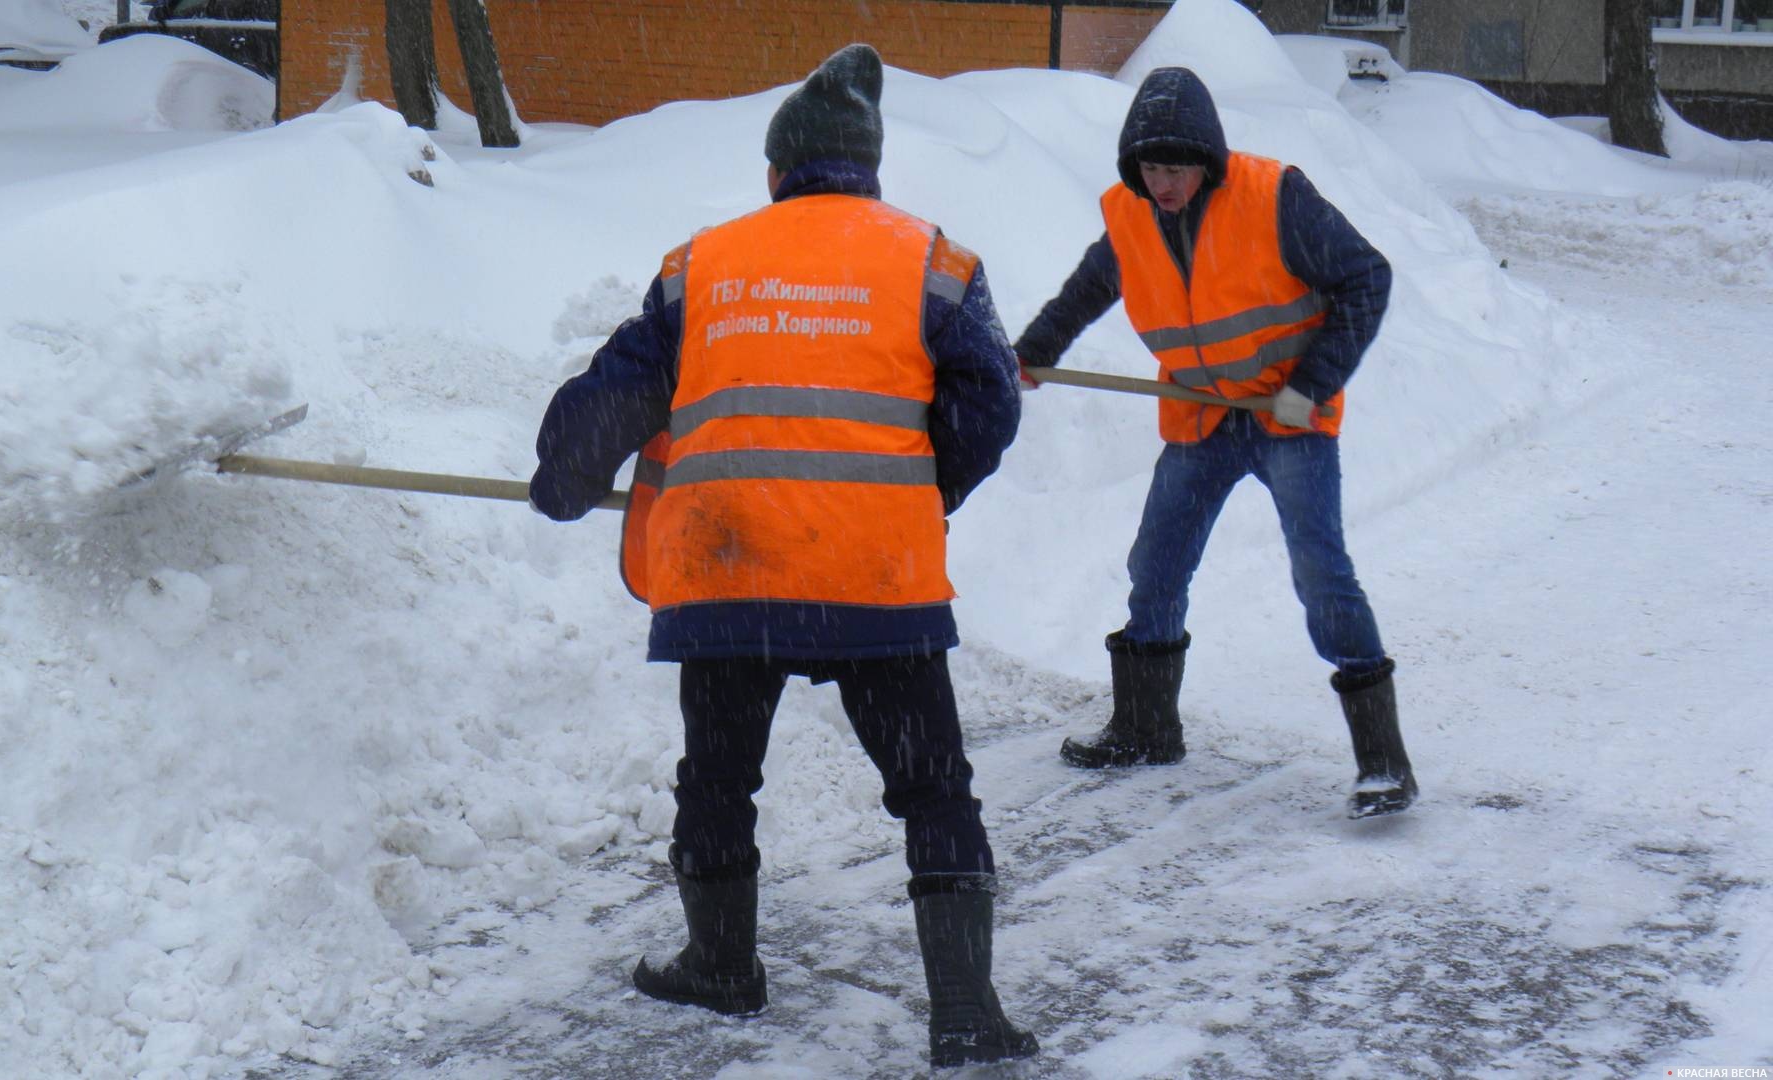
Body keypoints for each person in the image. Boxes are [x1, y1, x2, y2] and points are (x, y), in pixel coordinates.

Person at [528, 44, 1037, 1067]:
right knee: (934, 788)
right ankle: (965, 1011)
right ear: (869, 171)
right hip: (876, 581)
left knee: (718, 779)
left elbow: (619, 392)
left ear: (776, 171)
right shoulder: (935, 263)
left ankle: (722, 965)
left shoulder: (700, 266)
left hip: (731, 572)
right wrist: (924, 491)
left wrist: (564, 479)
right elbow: (990, 402)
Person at [1013, 65, 1418, 819]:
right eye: (1150, 169)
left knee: (1321, 574)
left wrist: (1313, 383)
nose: (1162, 184)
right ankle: (1146, 729)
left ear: (1207, 160)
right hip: (1201, 418)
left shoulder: (1273, 198)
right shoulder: (1132, 214)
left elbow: (1368, 277)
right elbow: (1089, 289)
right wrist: (1033, 352)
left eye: (1176, 169)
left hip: (1284, 416)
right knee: (1156, 565)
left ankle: (1383, 762)